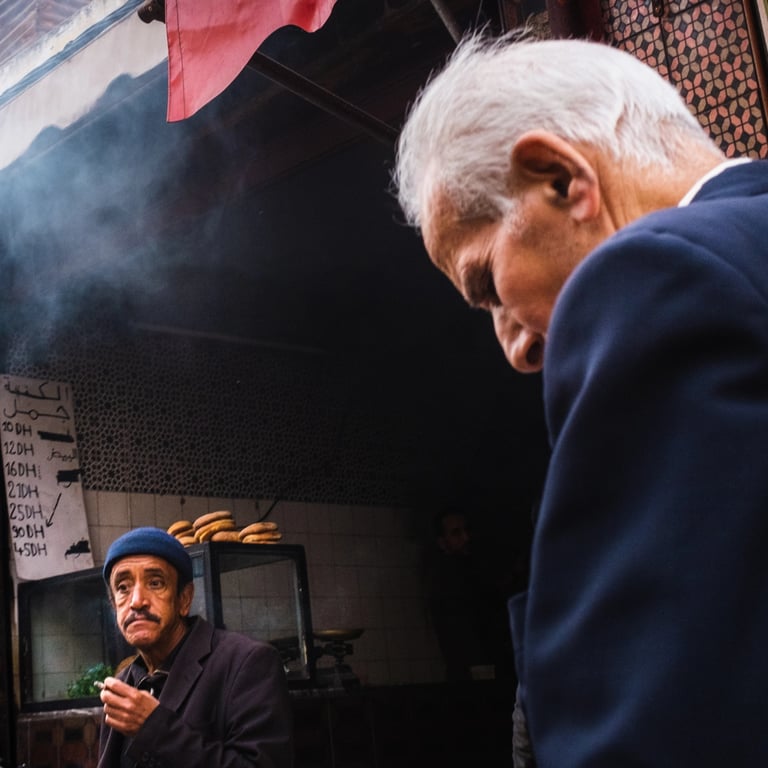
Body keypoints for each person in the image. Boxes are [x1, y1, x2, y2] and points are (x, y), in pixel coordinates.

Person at [394, 31, 768, 767]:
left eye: (489, 286)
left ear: (561, 178)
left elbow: (664, 719)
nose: (516, 347)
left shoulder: (656, 273)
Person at [97, 527, 293, 767]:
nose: (137, 601)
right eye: (123, 588)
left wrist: (155, 727)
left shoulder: (248, 663)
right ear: (113, 605)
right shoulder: (125, 680)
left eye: (155, 583)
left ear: (184, 599)